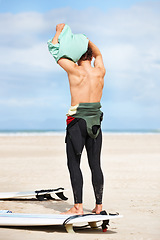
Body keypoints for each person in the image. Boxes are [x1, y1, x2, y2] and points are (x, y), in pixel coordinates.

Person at [50, 23, 106, 215]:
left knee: (74, 163)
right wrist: (87, 41)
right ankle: (99, 206)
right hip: (96, 123)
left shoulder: (74, 70)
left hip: (77, 122)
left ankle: (78, 207)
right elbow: (98, 54)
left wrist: (58, 32)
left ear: (78, 55)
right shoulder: (100, 71)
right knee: (95, 164)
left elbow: (54, 50)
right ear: (90, 55)